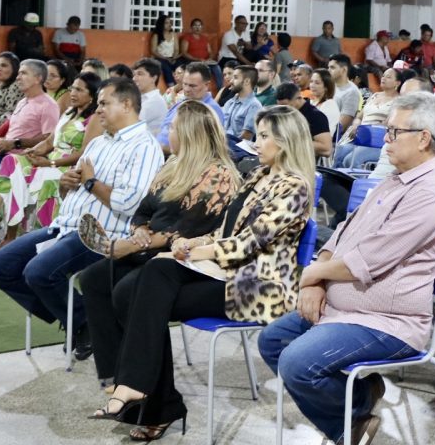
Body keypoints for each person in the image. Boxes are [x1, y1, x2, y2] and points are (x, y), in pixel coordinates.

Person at [91, 105, 312, 432]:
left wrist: (197, 252)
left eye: (264, 136)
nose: (256, 142)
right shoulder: (258, 176)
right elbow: (226, 232)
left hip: (258, 286)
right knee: (140, 283)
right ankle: (146, 394)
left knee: (141, 294)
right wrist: (190, 244)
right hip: (226, 272)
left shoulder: (294, 187)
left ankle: (149, 398)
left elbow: (247, 244)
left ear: (285, 141)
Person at [258, 93, 435, 445]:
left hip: (387, 320)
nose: (385, 139)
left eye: (394, 132)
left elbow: (370, 260)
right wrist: (315, 282)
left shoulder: (432, 194)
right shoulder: (396, 178)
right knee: (272, 341)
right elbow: (344, 232)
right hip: (343, 306)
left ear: (424, 138)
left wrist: (310, 275)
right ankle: (356, 412)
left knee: (296, 363)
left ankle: (353, 416)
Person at [77, 100, 240, 419]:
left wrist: (135, 245)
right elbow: (145, 211)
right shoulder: (173, 166)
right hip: (153, 250)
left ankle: (156, 402)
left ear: (190, 133)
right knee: (94, 279)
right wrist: (138, 232)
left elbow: (190, 230)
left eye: (173, 127)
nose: (168, 132)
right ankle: (115, 377)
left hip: (189, 262)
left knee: (129, 292)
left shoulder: (219, 176)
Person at [0, 78, 164, 359]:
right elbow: (73, 192)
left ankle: (80, 320)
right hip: (66, 225)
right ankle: (81, 320)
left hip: (104, 233)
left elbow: (131, 203)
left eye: (104, 103)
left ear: (127, 104)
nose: (99, 110)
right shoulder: (98, 144)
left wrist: (91, 184)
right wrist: (67, 184)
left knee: (38, 272)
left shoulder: (144, 147)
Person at [0, 73, 103, 244]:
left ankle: (30, 236)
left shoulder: (93, 119)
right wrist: (32, 152)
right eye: (72, 88)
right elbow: (49, 141)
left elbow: (84, 153)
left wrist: (50, 162)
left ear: (92, 95)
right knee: (11, 161)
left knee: (41, 178)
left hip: (69, 167)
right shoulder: (70, 113)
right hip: (50, 160)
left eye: (79, 90)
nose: (73, 93)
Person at [0, 60, 61, 214]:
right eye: (18, 73)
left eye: (23, 73)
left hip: (23, 161)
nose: (18, 77)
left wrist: (15, 143)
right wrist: (2, 141)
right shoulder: (23, 101)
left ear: (38, 78)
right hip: (4, 156)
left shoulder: (48, 105)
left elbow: (49, 138)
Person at [155, 62, 224, 156]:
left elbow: (202, 149)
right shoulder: (181, 103)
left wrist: (161, 147)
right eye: (185, 84)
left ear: (207, 85)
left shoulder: (211, 111)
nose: (186, 89)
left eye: (192, 86)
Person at [276, 83, 334, 160]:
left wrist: (292, 143)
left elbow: (326, 149)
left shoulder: (316, 116)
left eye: (286, 106)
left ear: (298, 98)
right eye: (280, 107)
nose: (283, 111)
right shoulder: (283, 113)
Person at [222, 65, 262, 145]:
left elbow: (246, 136)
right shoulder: (230, 102)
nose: (231, 81)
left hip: (238, 151)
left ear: (247, 81)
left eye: (235, 78)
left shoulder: (254, 105)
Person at [132, 59, 169, 136]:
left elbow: (130, 124)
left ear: (154, 78)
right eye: (134, 74)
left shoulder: (155, 101)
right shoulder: (140, 97)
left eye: (140, 74)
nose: (134, 78)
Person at [148, 13, 178, 85]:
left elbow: (176, 49)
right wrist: (165, 58)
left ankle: (183, 86)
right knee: (166, 68)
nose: (169, 24)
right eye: (166, 23)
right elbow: (153, 51)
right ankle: (171, 86)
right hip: (160, 58)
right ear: (161, 24)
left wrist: (174, 58)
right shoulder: (156, 35)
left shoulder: (174, 34)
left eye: (170, 22)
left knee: (181, 66)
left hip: (171, 57)